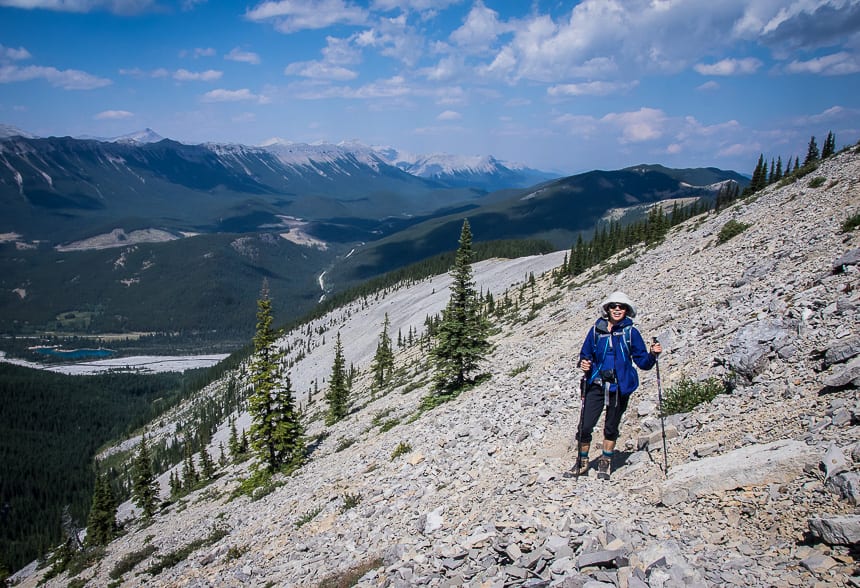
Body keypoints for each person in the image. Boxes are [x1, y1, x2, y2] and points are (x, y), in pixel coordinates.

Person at [573, 291, 662, 479]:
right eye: (614, 306)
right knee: (585, 426)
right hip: (596, 384)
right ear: (607, 309)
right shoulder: (597, 330)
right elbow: (585, 353)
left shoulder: (631, 333)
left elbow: (642, 362)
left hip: (619, 386)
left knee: (611, 426)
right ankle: (581, 461)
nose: (617, 309)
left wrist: (652, 355)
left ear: (626, 311)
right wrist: (584, 363)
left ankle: (605, 462)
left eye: (621, 307)